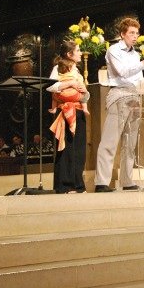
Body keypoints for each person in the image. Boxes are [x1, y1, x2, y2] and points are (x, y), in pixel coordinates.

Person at [94, 16, 144, 192]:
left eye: (137, 33)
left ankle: (127, 180)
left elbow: (137, 78)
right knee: (110, 140)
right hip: (119, 95)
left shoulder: (135, 54)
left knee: (130, 142)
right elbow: (122, 73)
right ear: (122, 34)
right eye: (131, 33)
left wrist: (142, 92)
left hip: (134, 97)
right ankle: (101, 182)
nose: (135, 36)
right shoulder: (114, 50)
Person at [47, 40, 88, 193]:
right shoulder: (57, 68)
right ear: (69, 54)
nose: (80, 53)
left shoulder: (77, 70)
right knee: (66, 148)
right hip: (64, 111)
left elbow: (83, 94)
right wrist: (69, 83)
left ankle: (78, 184)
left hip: (78, 110)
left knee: (79, 149)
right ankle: (65, 184)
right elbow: (51, 86)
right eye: (78, 51)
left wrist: (84, 91)